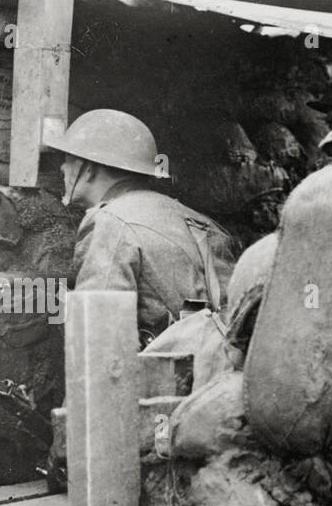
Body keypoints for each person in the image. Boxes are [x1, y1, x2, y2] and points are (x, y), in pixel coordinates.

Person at [48, 108, 238, 345]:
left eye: (68, 160)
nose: (62, 169)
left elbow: (98, 335)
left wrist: (59, 304)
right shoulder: (196, 219)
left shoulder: (110, 222)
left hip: (160, 376)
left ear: (88, 169)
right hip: (215, 370)